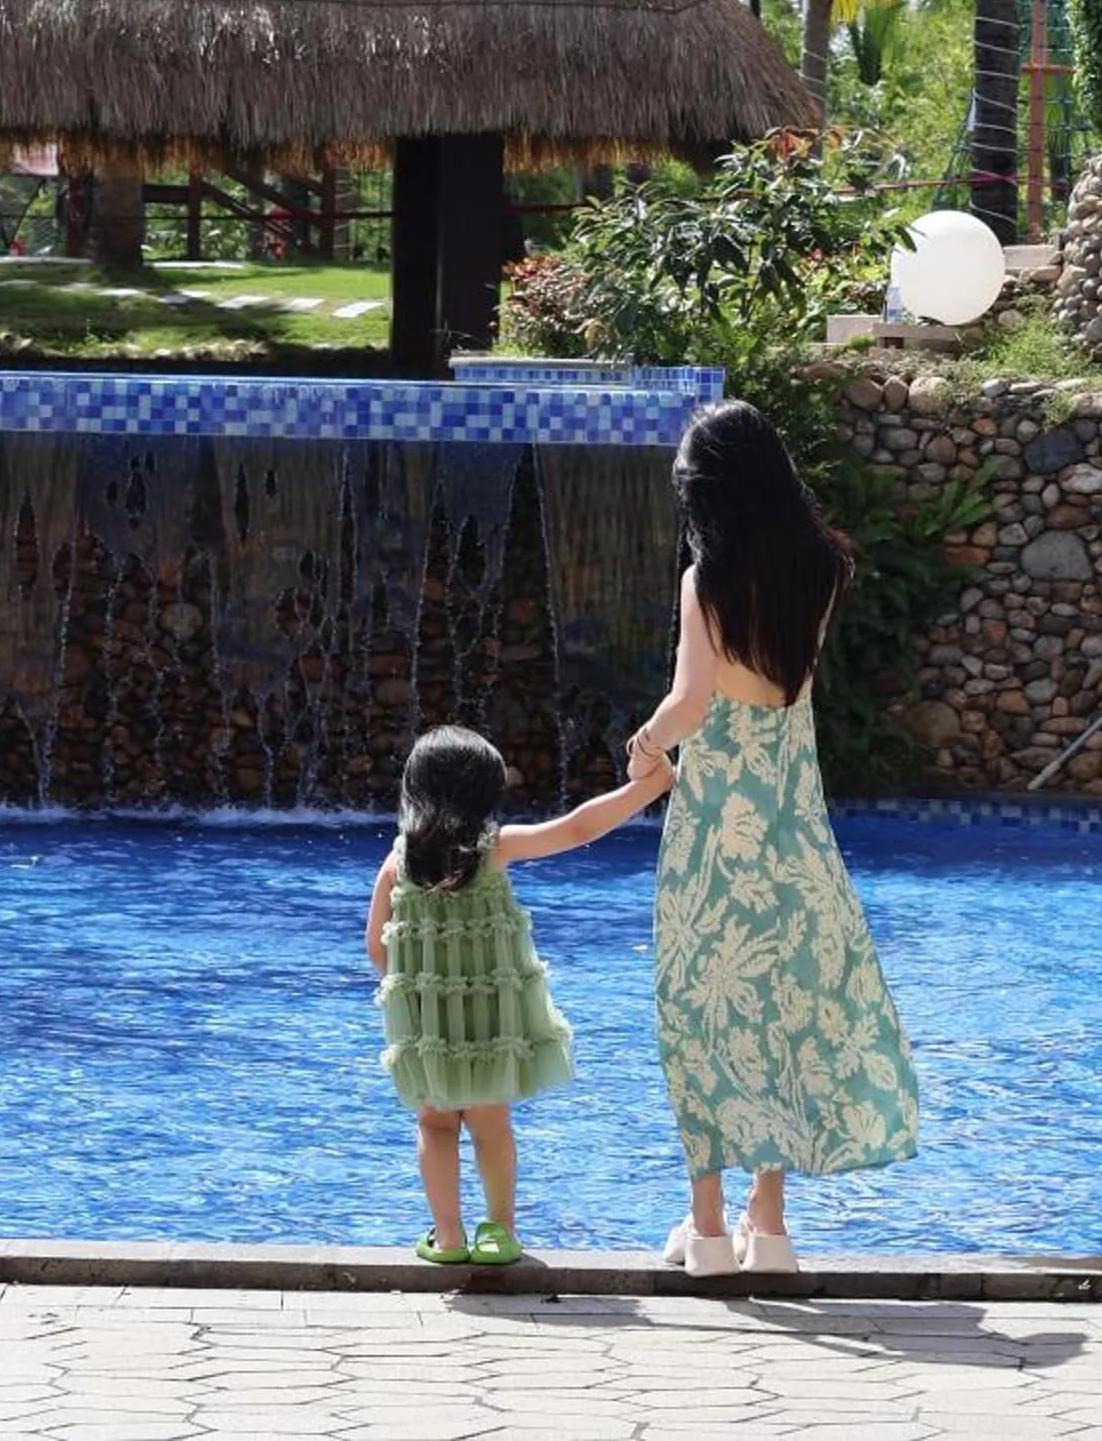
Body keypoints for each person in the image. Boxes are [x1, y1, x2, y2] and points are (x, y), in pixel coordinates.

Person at [630, 398, 919, 1278]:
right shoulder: (822, 570)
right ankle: (773, 1228)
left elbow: (692, 706)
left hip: (718, 834)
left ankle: (708, 1231)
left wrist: (644, 743)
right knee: (785, 1014)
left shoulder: (705, 582)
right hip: (795, 830)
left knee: (701, 1015)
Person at [367, 723, 670, 1268]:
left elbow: (375, 947)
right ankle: (499, 1232)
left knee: (435, 1125)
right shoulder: (493, 851)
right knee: (491, 1127)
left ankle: (449, 1236)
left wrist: (423, 989)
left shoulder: (397, 864)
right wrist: (646, 790)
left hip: (424, 1025)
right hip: (490, 1021)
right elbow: (576, 829)